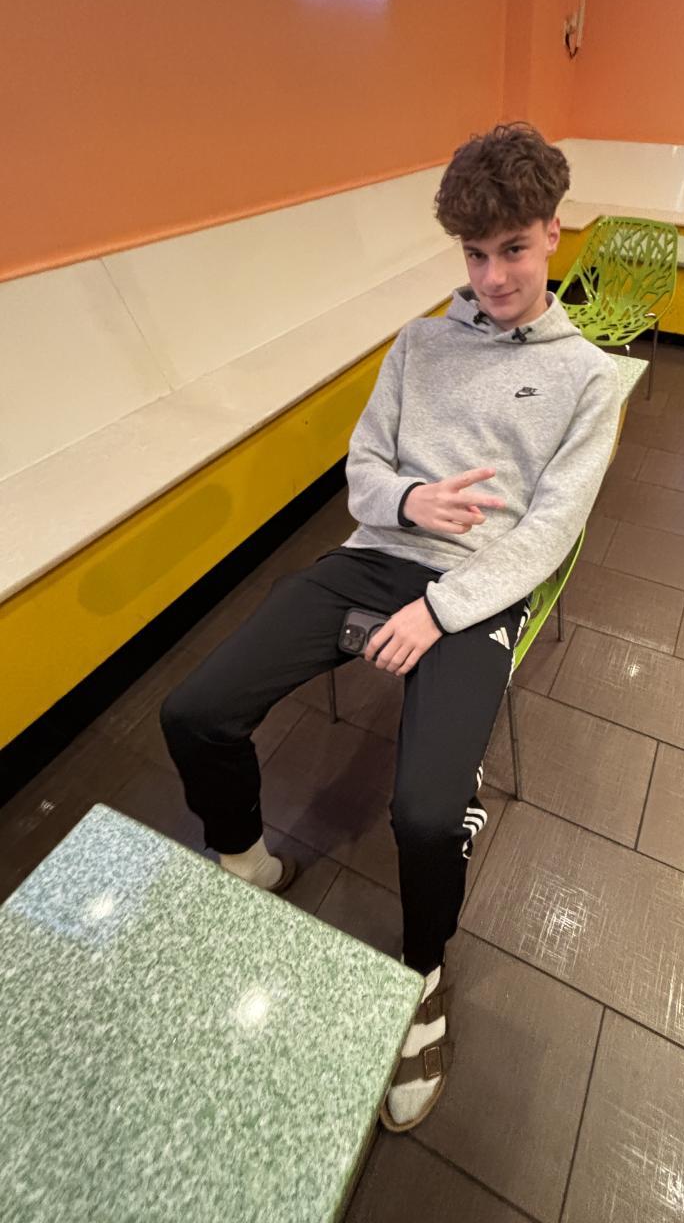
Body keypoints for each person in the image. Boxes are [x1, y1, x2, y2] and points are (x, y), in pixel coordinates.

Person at [160, 122, 619, 1131]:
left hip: (477, 588)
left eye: (514, 248)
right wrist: (411, 500)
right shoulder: (419, 344)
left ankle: (422, 973)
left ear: (554, 232)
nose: (493, 277)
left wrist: (438, 608)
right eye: (475, 253)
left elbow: (550, 532)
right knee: (193, 710)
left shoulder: (587, 379)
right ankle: (244, 857)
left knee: (425, 815)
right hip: (376, 553)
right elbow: (362, 471)